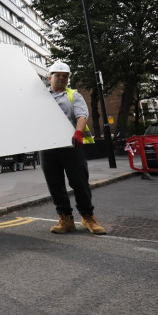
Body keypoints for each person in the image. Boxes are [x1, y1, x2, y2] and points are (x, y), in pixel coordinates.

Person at [40, 61, 106, 235]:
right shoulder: (41, 96)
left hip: (71, 145)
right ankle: (65, 219)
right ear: (49, 77)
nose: (61, 78)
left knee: (79, 182)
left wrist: (78, 132)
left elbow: (82, 115)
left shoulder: (73, 95)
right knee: (55, 184)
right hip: (47, 146)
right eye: (58, 75)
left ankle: (87, 217)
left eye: (65, 76)